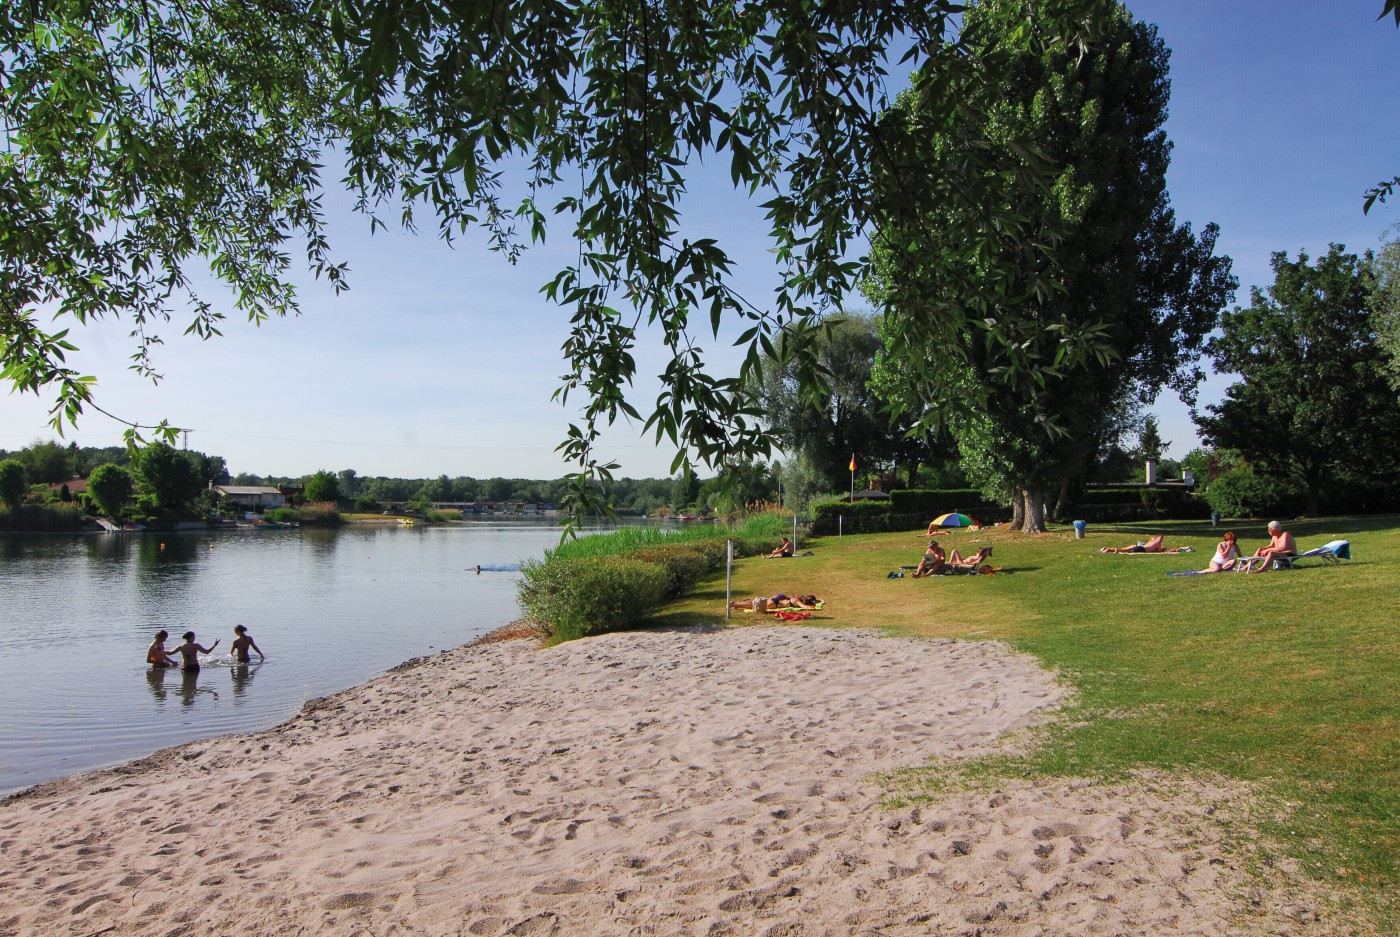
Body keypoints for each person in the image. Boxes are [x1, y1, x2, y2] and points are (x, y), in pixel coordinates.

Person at [1100, 533, 1165, 554]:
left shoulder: (1152, 540)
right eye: (1160, 538)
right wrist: (1163, 549)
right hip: (1142, 549)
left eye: (1161, 538)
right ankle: (1117, 550)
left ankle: (1108, 549)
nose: (1161, 539)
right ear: (1157, 538)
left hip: (1141, 547)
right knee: (1128, 551)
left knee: (1126, 549)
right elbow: (1159, 551)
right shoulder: (1158, 542)